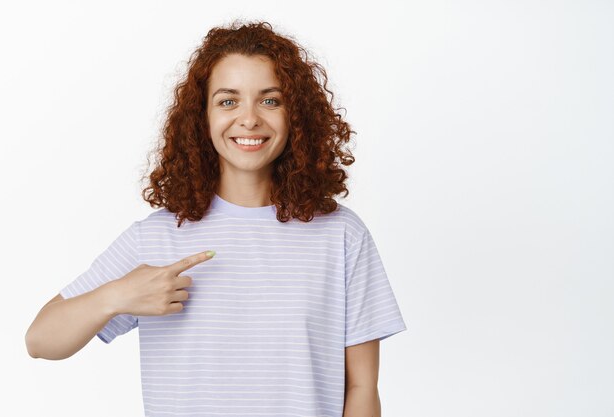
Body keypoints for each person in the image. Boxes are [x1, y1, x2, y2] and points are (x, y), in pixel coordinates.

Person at [25, 20, 407, 417]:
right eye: (228, 101)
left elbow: (362, 387)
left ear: (297, 114)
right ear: (201, 117)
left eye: (270, 100)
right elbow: (40, 340)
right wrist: (117, 296)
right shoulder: (157, 238)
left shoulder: (341, 234)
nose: (249, 118)